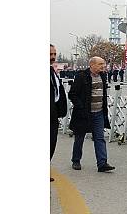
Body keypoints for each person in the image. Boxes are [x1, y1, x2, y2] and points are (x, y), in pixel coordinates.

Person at [68, 56, 116, 172]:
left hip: (98, 113)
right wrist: (81, 106)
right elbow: (72, 94)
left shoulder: (103, 76)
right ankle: (76, 160)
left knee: (99, 138)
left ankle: (102, 163)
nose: (103, 66)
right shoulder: (81, 77)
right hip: (84, 114)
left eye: (103, 64)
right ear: (92, 65)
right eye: (100, 64)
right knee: (79, 137)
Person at [50, 45, 68, 182]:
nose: (53, 56)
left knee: (51, 142)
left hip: (53, 113)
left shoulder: (52, 70)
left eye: (54, 53)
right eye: (50, 53)